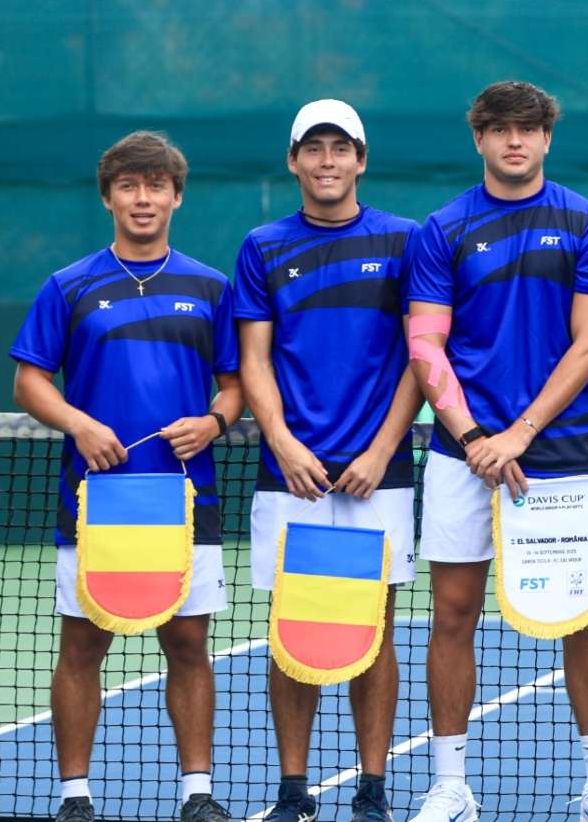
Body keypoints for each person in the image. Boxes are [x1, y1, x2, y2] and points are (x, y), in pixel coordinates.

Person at [406, 81, 588, 822]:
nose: (515, 140)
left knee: (580, 616)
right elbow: (426, 344)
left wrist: (519, 434)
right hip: (460, 456)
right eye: (499, 129)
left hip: (558, 454)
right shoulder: (442, 230)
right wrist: (475, 436)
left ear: (546, 139)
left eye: (528, 129)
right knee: (453, 612)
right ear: (478, 139)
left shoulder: (585, 222)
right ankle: (450, 785)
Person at [10, 131, 242, 822]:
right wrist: (79, 423)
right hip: (94, 498)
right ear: (108, 196)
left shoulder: (209, 287)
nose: (143, 198)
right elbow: (29, 382)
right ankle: (73, 796)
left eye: (156, 185)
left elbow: (235, 386)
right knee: (83, 644)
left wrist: (214, 422)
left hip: (185, 496)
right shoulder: (70, 285)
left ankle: (196, 793)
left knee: (189, 643)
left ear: (177, 196)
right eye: (129, 186)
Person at [234, 100, 423, 822]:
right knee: (296, 627)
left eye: (339, 148)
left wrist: (380, 450)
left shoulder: (405, 241)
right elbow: (254, 357)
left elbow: (420, 356)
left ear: (361, 159)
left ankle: (371, 788)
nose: (326, 161)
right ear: (294, 161)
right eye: (312, 148)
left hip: (380, 473)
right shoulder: (261, 246)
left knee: (374, 627)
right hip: (293, 476)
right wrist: (281, 441)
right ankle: (293, 789)